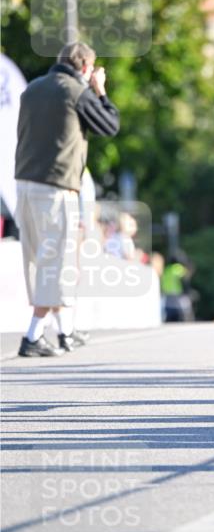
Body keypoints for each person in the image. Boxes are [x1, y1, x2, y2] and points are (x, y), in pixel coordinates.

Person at [14, 42, 120, 357]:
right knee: (57, 262)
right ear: (85, 67)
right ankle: (33, 335)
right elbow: (109, 125)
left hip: (24, 183)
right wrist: (99, 90)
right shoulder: (76, 91)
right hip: (57, 186)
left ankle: (64, 332)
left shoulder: (32, 89)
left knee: (36, 260)